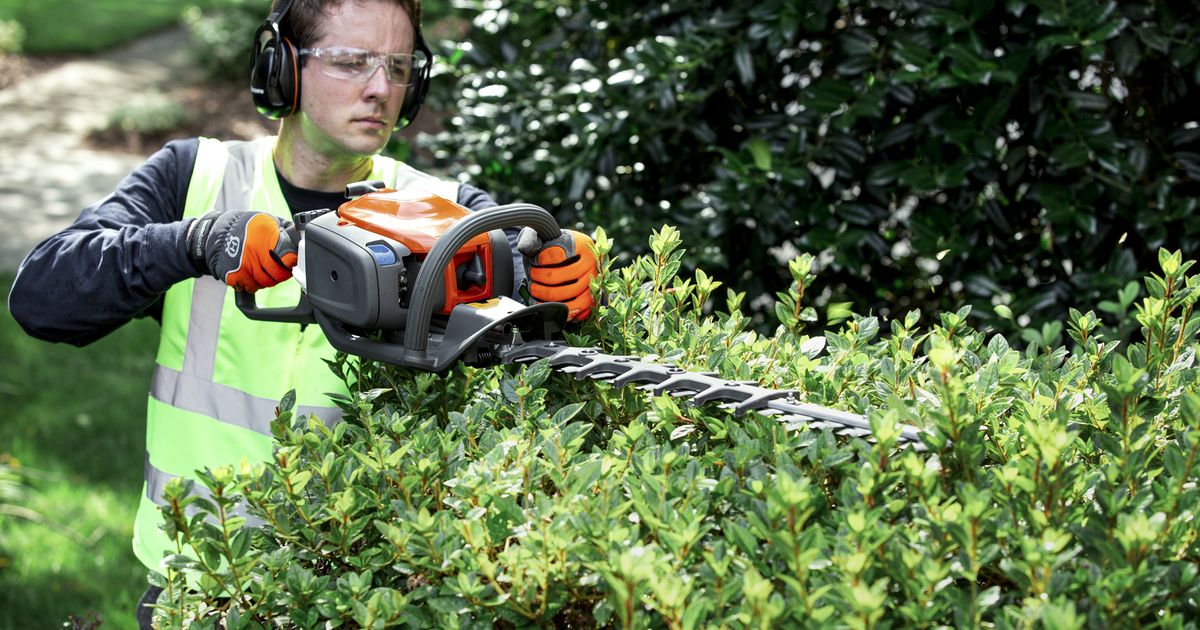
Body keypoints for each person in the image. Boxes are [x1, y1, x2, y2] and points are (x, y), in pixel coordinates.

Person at [6, 0, 597, 626]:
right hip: (195, 583)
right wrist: (191, 243)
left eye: (397, 66)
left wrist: (563, 271)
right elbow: (43, 297)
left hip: (357, 597)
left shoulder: (445, 214)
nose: (380, 89)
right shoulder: (198, 177)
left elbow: (539, 269)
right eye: (351, 62)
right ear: (284, 68)